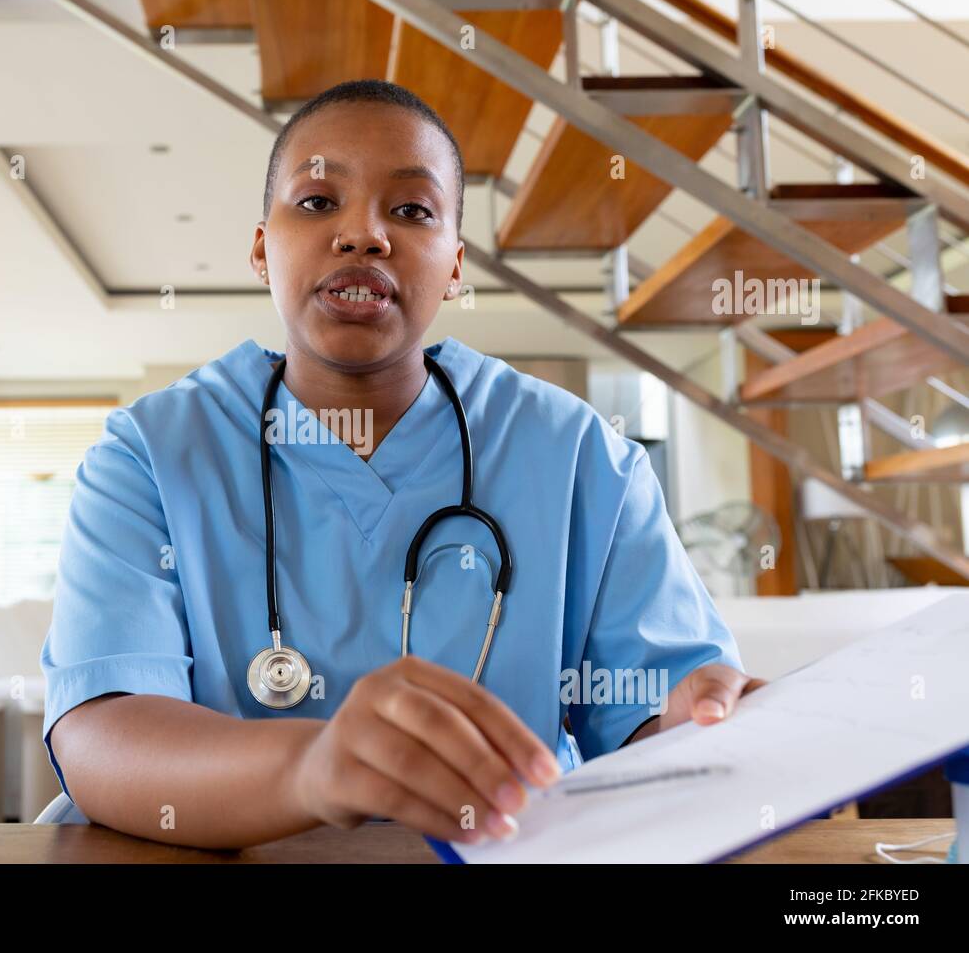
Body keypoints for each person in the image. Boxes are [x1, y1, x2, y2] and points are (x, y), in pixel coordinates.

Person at [41, 79, 762, 850]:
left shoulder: (578, 453)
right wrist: (315, 768)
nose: (363, 235)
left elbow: (652, 718)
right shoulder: (151, 452)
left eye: (412, 210)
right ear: (261, 248)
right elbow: (103, 736)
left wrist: (693, 727)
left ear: (455, 265)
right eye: (318, 202)